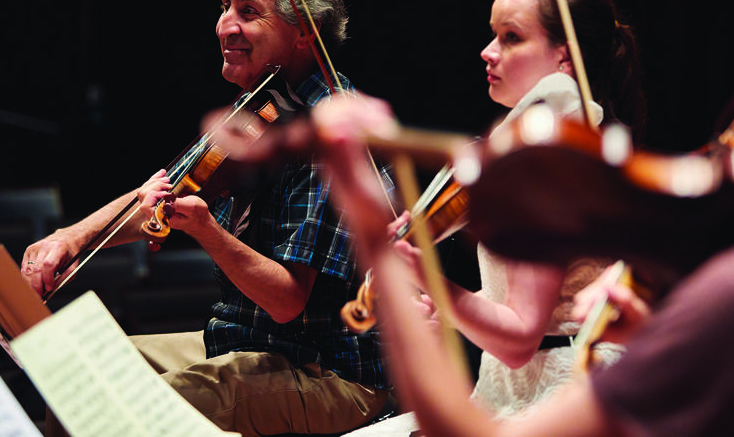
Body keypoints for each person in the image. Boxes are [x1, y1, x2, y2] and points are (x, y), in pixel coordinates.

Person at [21, 0, 393, 437]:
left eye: (248, 11)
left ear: (305, 32)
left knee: (139, 409)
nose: (225, 25)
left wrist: (208, 231)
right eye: (225, 5)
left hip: (326, 372)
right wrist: (72, 238)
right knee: (80, 376)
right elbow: (167, 192)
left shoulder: (330, 137)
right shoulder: (260, 107)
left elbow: (287, 301)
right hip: (243, 345)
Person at [310, 94, 734, 436]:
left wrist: (372, 238)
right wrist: (650, 335)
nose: (707, 169)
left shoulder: (722, 292)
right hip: (512, 388)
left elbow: (466, 427)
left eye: (511, 38)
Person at [382, 0, 648, 421]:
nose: (488, 52)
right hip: (503, 389)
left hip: (568, 392)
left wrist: (429, 277)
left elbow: (523, 336)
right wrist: (446, 309)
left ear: (564, 60)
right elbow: (524, 308)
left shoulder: (554, 166)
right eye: (493, 35)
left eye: (511, 38)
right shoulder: (541, 152)